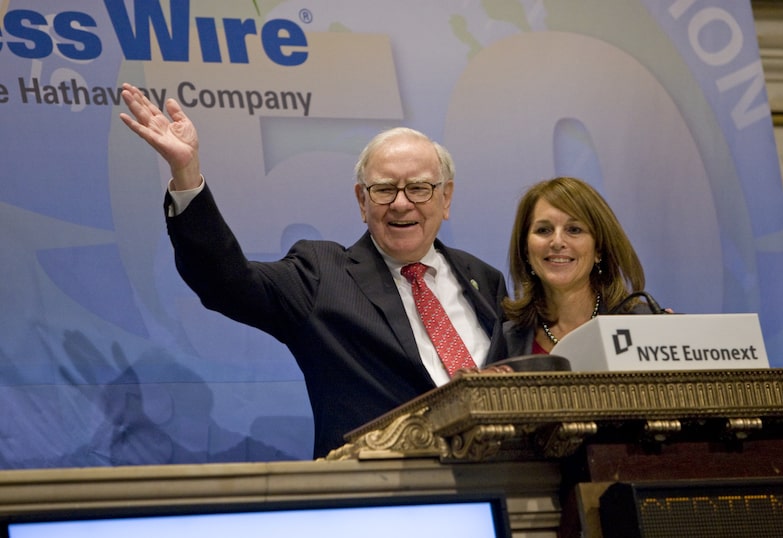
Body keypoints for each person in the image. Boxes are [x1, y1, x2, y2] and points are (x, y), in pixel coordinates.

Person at [118, 83, 509, 459]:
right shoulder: (322, 275)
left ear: (446, 197)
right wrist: (187, 174)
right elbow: (227, 283)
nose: (402, 204)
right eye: (385, 189)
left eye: (420, 188)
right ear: (362, 200)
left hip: (500, 483)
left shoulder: (484, 279)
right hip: (383, 499)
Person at [503, 176, 653, 358]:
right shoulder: (506, 341)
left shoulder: (645, 326)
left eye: (574, 230)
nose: (557, 242)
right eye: (544, 230)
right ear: (525, 249)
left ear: (599, 249)